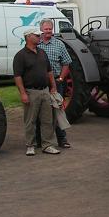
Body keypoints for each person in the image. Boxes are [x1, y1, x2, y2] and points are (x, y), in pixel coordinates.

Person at [13, 27, 60, 156]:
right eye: (37, 36)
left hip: (45, 90)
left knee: (47, 120)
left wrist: (53, 87)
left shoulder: (42, 53)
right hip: (31, 91)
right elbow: (18, 76)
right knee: (30, 120)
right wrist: (23, 93)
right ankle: (30, 145)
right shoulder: (20, 56)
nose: (40, 37)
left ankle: (47, 145)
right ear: (28, 37)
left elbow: (49, 72)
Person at [38, 18, 73, 148]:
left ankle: (62, 139)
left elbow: (66, 62)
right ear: (41, 29)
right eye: (46, 29)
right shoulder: (36, 44)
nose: (48, 31)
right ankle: (39, 139)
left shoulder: (59, 44)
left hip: (56, 82)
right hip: (40, 83)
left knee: (57, 110)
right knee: (39, 111)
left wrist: (61, 78)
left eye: (50, 29)